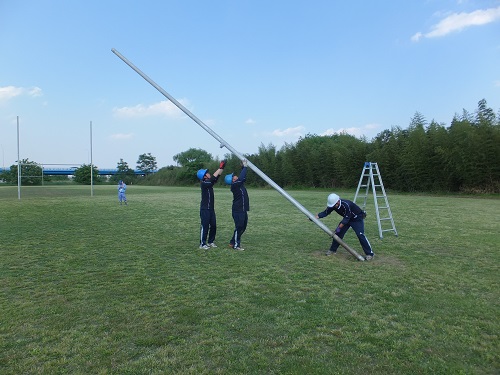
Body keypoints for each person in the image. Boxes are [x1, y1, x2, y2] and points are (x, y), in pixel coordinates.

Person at [316, 193, 375, 260]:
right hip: (347, 219)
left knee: (360, 235)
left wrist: (338, 228)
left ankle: (370, 254)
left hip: (357, 218)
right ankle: (332, 250)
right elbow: (325, 212)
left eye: (334, 205)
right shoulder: (333, 205)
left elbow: (346, 220)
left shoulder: (346, 204)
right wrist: (316, 217)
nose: (333, 206)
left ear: (338, 201)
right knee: (338, 234)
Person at [197, 160, 226, 250]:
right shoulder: (204, 183)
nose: (209, 174)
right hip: (205, 209)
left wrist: (222, 168)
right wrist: (220, 167)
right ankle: (202, 244)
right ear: (204, 176)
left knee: (213, 225)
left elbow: (216, 177)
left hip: (211, 209)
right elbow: (213, 178)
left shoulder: (209, 182)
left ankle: (210, 241)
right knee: (205, 226)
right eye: (207, 173)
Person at [225, 159, 250, 251]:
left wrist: (243, 167)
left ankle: (232, 242)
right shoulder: (235, 186)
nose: (235, 176)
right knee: (239, 227)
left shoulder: (239, 184)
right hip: (238, 210)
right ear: (232, 181)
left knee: (243, 227)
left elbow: (243, 177)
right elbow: (242, 177)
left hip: (242, 209)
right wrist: (245, 167)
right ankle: (236, 245)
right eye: (233, 177)